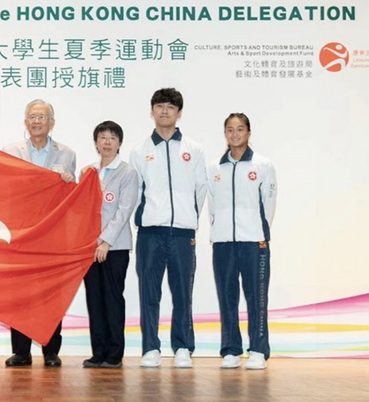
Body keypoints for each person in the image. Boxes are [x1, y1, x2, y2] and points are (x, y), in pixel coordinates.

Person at [129, 87, 207, 369]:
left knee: (183, 293)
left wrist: (188, 218)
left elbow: (201, 188)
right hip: (150, 232)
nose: (164, 111)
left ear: (179, 113)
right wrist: (148, 216)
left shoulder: (193, 149)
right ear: (151, 111)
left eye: (170, 107)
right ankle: (151, 347)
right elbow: (136, 191)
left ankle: (183, 346)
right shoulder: (139, 150)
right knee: (149, 293)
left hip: (183, 234)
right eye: (159, 106)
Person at [2, 99, 76, 368]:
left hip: (52, 236)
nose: (36, 121)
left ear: (51, 123)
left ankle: (51, 351)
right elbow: (4, 187)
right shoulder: (10, 151)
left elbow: (73, 197)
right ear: (25, 122)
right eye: (32, 116)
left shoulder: (66, 154)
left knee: (51, 295)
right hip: (21, 233)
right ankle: (21, 352)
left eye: (42, 117)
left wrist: (69, 181)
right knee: (19, 294)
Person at [208, 113, 277, 370]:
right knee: (227, 296)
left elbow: (269, 204)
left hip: (253, 242)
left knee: (256, 297)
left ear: (249, 132)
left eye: (239, 129)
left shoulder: (262, 165)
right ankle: (231, 350)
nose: (234, 134)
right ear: (224, 133)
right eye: (229, 129)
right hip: (223, 242)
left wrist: (259, 233)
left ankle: (258, 349)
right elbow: (212, 206)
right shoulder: (215, 167)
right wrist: (218, 232)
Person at [81, 121, 139, 369]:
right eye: (102, 137)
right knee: (94, 299)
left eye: (112, 138)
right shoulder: (87, 172)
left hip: (114, 248)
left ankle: (114, 353)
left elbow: (124, 211)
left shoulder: (127, 172)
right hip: (88, 248)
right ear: (95, 142)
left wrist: (105, 241)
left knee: (113, 299)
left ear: (119, 143)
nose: (107, 142)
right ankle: (98, 352)